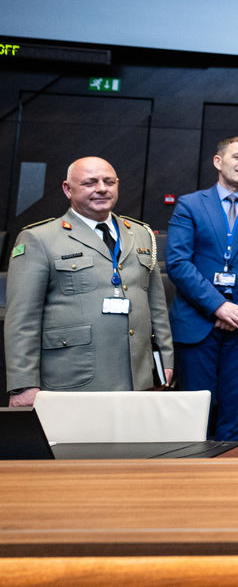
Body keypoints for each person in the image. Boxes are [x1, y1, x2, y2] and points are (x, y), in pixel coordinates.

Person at [5, 157, 172, 406]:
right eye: (90, 182)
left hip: (136, 377)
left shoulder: (141, 234)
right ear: (67, 189)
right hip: (73, 378)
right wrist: (23, 384)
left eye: (109, 181)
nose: (102, 188)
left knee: (131, 444)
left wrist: (163, 363)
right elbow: (22, 319)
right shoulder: (39, 238)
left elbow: (156, 306)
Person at [166, 137, 238, 441]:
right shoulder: (190, 204)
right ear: (218, 162)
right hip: (197, 320)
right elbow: (178, 263)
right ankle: (190, 478)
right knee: (194, 407)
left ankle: (230, 479)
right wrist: (218, 306)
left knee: (235, 409)